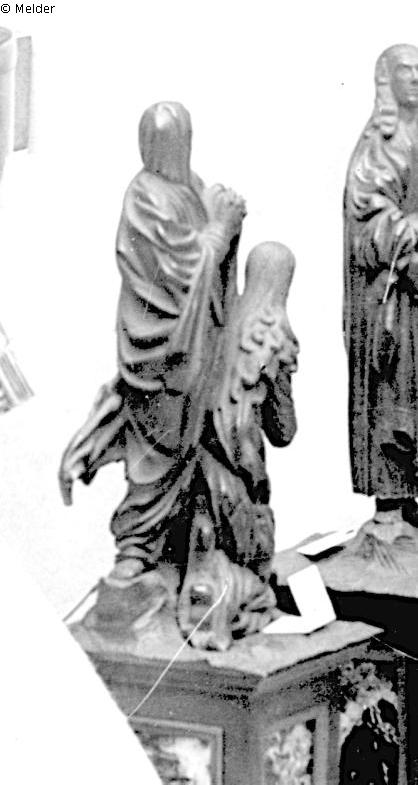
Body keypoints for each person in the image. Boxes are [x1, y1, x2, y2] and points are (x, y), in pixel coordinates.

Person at [59, 103, 246, 606]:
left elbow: (208, 265)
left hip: (198, 346)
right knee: (156, 452)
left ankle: (180, 552)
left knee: (191, 448)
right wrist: (220, 229)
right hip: (159, 349)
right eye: (161, 142)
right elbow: (181, 268)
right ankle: (136, 551)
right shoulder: (144, 196)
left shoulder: (192, 187)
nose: (169, 151)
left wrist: (225, 224)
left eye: (177, 140)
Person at [344, 44, 418, 530]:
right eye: (404, 71)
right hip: (391, 298)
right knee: (393, 392)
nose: (415, 78)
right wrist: (408, 232)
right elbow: (367, 220)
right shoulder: (379, 145)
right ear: (387, 82)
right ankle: (391, 505)